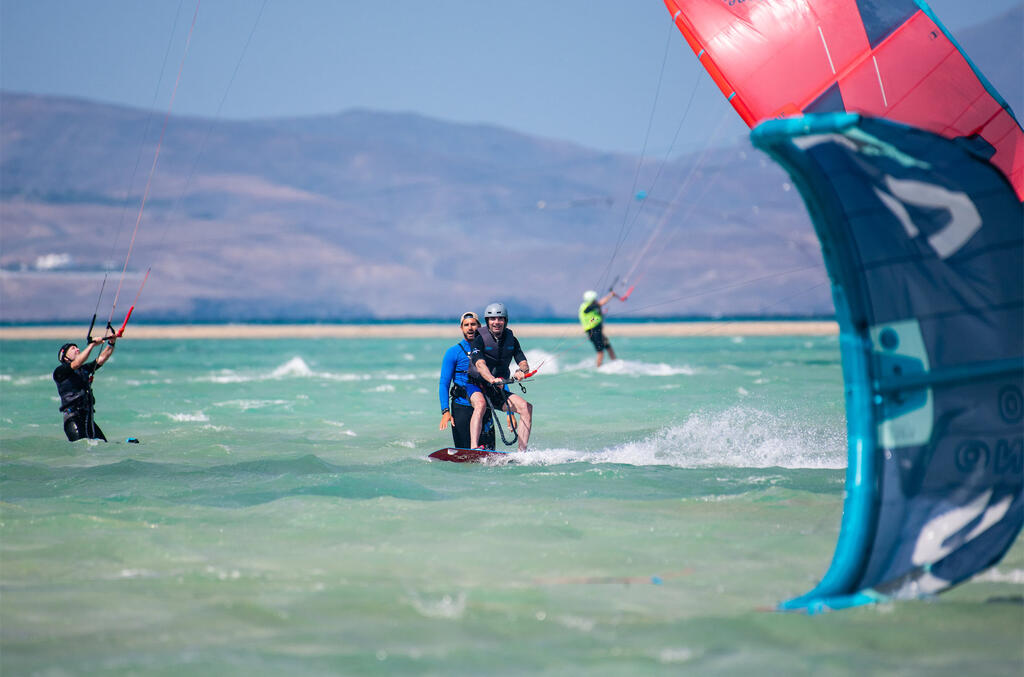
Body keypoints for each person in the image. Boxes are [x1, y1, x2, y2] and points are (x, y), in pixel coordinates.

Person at [469, 302, 533, 451]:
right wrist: (491, 379)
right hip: (476, 385)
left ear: (505, 321)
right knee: (480, 404)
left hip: (497, 388)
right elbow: (480, 365)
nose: (496, 322)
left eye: (500, 319)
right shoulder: (479, 339)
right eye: (492, 319)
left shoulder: (512, 339)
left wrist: (521, 371)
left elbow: (523, 362)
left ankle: (522, 453)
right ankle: (474, 448)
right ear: (487, 321)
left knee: (526, 407)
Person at [438, 311, 494, 450]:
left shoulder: (488, 350)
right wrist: (445, 411)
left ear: (480, 326)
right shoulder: (453, 352)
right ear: (461, 328)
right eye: (466, 325)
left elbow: (497, 379)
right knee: (466, 452)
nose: (470, 328)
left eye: (473, 324)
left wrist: (509, 413)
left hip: (484, 406)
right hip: (461, 408)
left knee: (489, 454)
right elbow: (444, 384)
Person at [53, 333, 117, 441]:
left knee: (103, 445)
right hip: (73, 419)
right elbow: (77, 363)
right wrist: (91, 345)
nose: (77, 349)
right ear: (65, 357)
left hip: (88, 418)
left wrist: (112, 342)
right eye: (73, 348)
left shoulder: (84, 369)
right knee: (81, 448)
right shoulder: (60, 372)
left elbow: (101, 359)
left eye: (77, 347)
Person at [579, 289, 618, 367]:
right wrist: (610, 295)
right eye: (594, 299)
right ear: (591, 299)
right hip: (593, 332)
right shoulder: (587, 307)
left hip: (598, 331)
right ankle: (599, 368)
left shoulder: (590, 307)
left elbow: (594, 317)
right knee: (600, 351)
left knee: (608, 346)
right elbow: (600, 303)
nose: (596, 300)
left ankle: (616, 363)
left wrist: (601, 313)